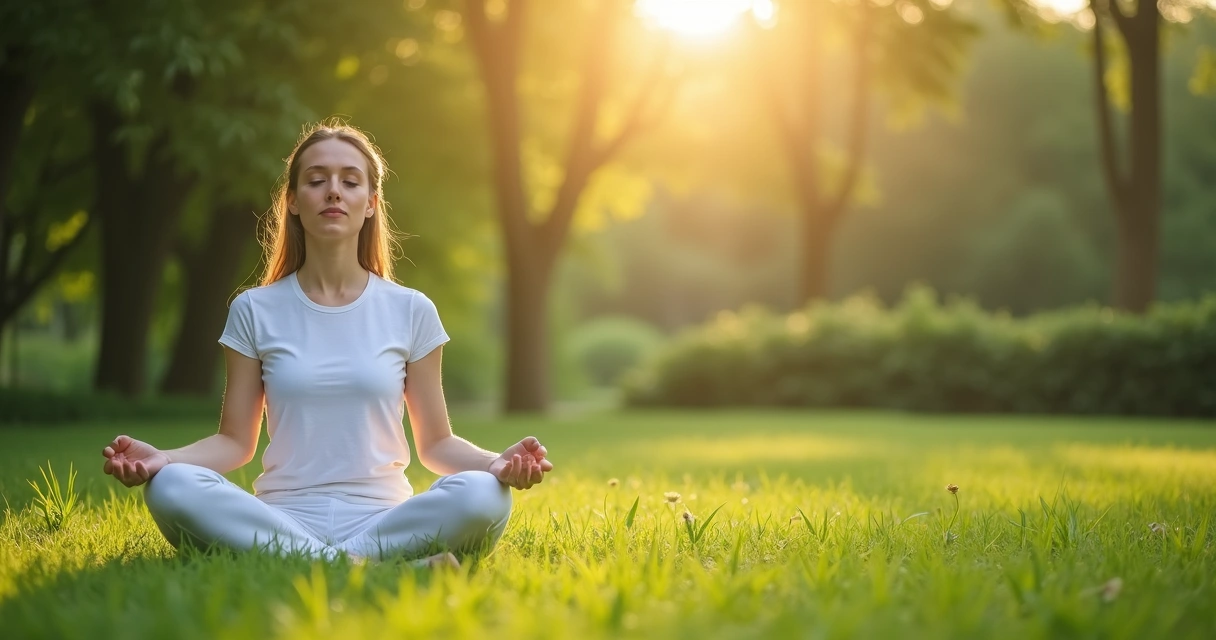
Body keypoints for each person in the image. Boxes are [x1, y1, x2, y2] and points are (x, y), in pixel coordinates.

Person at [100, 120, 552, 568]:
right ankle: (372, 570)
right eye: (316, 180)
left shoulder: (411, 309)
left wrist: (496, 463)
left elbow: (436, 444)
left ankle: (319, 564)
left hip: (383, 518)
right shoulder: (254, 309)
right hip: (282, 517)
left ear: (371, 203)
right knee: (171, 485)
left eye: (350, 181)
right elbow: (235, 441)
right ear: (294, 202)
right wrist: (164, 459)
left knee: (484, 493)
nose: (333, 191)